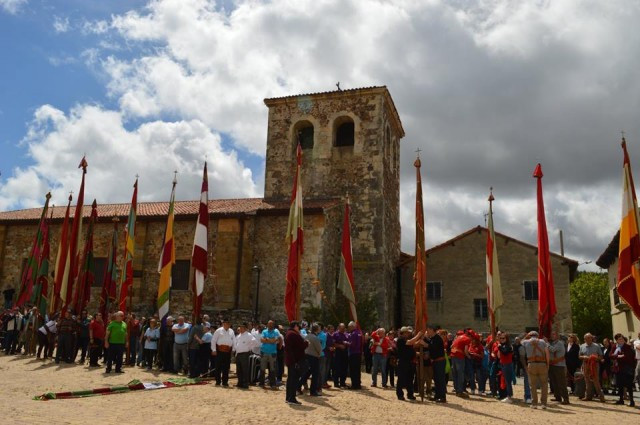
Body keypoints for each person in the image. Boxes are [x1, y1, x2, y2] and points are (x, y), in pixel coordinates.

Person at [522, 331, 549, 409]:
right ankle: (543, 404)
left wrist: (526, 336)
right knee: (544, 384)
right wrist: (548, 365)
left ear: (529, 336)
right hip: (542, 364)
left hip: (531, 364)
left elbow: (519, 342)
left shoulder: (525, 342)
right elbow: (547, 353)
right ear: (537, 336)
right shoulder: (543, 341)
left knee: (532, 385)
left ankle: (534, 404)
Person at [284, 321, 308, 405]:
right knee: (293, 380)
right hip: (295, 361)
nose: (299, 328)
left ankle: (288, 397)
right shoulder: (293, 334)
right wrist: (306, 343)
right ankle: (292, 398)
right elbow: (301, 346)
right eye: (298, 327)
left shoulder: (288, 333)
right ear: (295, 326)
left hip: (291, 360)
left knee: (290, 379)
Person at [396, 327, 422, 401]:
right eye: (407, 332)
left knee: (410, 379)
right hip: (403, 362)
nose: (408, 333)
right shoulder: (400, 340)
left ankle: (410, 394)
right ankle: (400, 394)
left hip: (410, 362)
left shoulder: (406, 340)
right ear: (403, 333)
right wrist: (418, 335)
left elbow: (412, 345)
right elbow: (410, 342)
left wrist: (420, 341)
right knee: (401, 379)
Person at [610, 333, 635, 407]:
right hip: (618, 368)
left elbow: (627, 357)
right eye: (619, 339)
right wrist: (618, 356)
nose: (621, 340)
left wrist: (618, 357)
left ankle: (631, 401)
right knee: (620, 384)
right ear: (617, 340)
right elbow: (610, 355)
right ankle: (621, 400)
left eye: (622, 339)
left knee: (629, 385)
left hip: (627, 368)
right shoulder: (615, 346)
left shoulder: (627, 346)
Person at [579, 333, 605, 402]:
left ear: (591, 338)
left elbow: (601, 356)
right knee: (587, 380)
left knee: (596, 380)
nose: (588, 339)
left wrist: (595, 358)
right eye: (586, 338)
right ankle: (588, 396)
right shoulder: (582, 346)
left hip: (594, 365)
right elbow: (579, 356)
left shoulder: (596, 346)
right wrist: (584, 357)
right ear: (584, 339)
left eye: (589, 338)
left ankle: (601, 396)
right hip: (585, 364)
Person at [426, 325, 447, 403]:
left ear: (432, 330)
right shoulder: (433, 338)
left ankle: (442, 397)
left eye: (428, 330)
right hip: (436, 361)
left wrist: (425, 344)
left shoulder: (437, 338)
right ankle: (437, 396)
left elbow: (433, 347)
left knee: (440, 379)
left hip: (439, 361)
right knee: (436, 380)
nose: (427, 331)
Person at [300, 323, 322, 396]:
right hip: (314, 357)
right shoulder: (315, 338)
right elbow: (319, 348)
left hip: (307, 356)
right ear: (317, 329)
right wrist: (319, 354)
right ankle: (313, 391)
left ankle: (298, 386)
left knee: (307, 373)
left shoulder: (307, 336)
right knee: (315, 374)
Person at [211, 318, 235, 386]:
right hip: (219, 350)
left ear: (229, 324)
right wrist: (214, 350)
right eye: (224, 324)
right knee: (218, 367)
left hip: (228, 351)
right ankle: (218, 381)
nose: (226, 325)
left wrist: (233, 349)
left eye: (227, 324)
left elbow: (234, 341)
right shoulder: (218, 330)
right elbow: (213, 340)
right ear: (223, 324)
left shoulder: (231, 331)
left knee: (226, 367)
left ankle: (225, 381)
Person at [548, 331, 569, 404]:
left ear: (557, 336)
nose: (552, 336)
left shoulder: (559, 343)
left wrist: (546, 343)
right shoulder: (552, 343)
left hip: (559, 365)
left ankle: (566, 399)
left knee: (561, 383)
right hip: (553, 365)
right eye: (551, 334)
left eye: (553, 334)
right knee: (554, 382)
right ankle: (558, 397)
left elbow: (553, 350)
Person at [235, 322, 257, 389]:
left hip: (245, 354)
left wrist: (249, 348)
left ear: (245, 328)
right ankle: (240, 382)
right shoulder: (238, 336)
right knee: (239, 369)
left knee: (245, 369)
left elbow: (255, 342)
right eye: (240, 327)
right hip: (238, 354)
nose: (240, 329)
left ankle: (245, 383)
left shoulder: (248, 335)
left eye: (242, 328)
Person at [260, 320, 280, 389]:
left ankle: (273, 384)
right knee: (262, 368)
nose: (270, 325)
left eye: (271, 324)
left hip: (272, 353)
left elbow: (276, 340)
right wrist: (271, 340)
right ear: (267, 325)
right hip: (264, 352)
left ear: (273, 325)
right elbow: (261, 340)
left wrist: (267, 339)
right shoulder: (264, 331)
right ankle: (261, 383)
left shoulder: (276, 332)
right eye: (269, 324)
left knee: (272, 369)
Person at [449, 330, 470, 396]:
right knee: (460, 374)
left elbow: (451, 346)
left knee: (455, 373)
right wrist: (469, 356)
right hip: (460, 357)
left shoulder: (458, 337)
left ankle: (456, 389)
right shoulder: (467, 339)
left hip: (453, 355)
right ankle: (460, 391)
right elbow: (466, 351)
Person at [497, 333, 514, 402]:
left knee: (507, 381)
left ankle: (509, 397)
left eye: (503, 338)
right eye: (500, 338)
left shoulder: (508, 346)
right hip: (503, 364)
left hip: (507, 365)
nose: (501, 339)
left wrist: (500, 347)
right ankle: (509, 395)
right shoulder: (503, 345)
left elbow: (505, 352)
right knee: (506, 381)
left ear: (506, 339)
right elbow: (499, 356)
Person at [332, 323, 349, 388]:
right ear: (338, 328)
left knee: (344, 368)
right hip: (338, 352)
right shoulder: (335, 334)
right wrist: (339, 345)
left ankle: (342, 382)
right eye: (342, 328)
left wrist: (346, 343)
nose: (343, 329)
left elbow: (349, 341)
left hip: (345, 352)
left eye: (344, 328)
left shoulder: (346, 334)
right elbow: (333, 343)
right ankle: (336, 383)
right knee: (337, 368)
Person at [347, 321, 362, 390]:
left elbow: (352, 344)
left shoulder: (353, 333)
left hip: (353, 353)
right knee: (357, 370)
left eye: (349, 327)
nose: (348, 328)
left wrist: (346, 343)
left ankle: (354, 385)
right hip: (358, 353)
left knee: (353, 370)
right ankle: (358, 384)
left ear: (352, 326)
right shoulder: (359, 333)